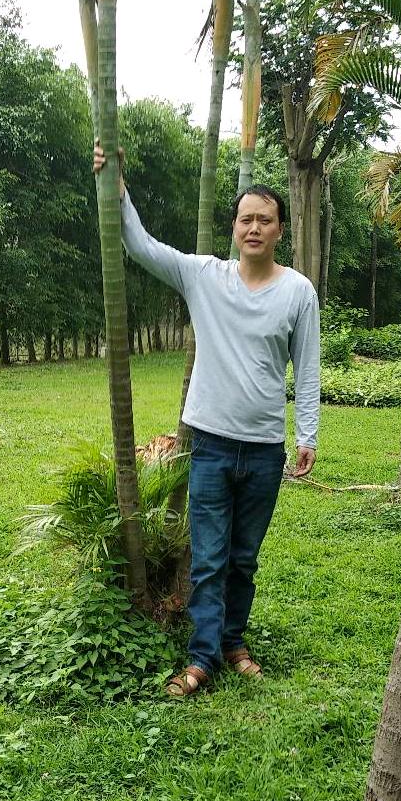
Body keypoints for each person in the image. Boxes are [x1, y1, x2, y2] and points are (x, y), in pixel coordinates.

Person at [93, 144, 320, 698]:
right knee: (210, 558)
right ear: (234, 228)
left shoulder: (298, 292)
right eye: (246, 219)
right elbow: (141, 246)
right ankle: (202, 658)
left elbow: (308, 367)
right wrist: (118, 187)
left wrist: (307, 434)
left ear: (280, 231)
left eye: (265, 220)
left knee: (243, 559)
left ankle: (234, 643)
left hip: (264, 449)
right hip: (212, 446)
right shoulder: (204, 277)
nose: (254, 228)